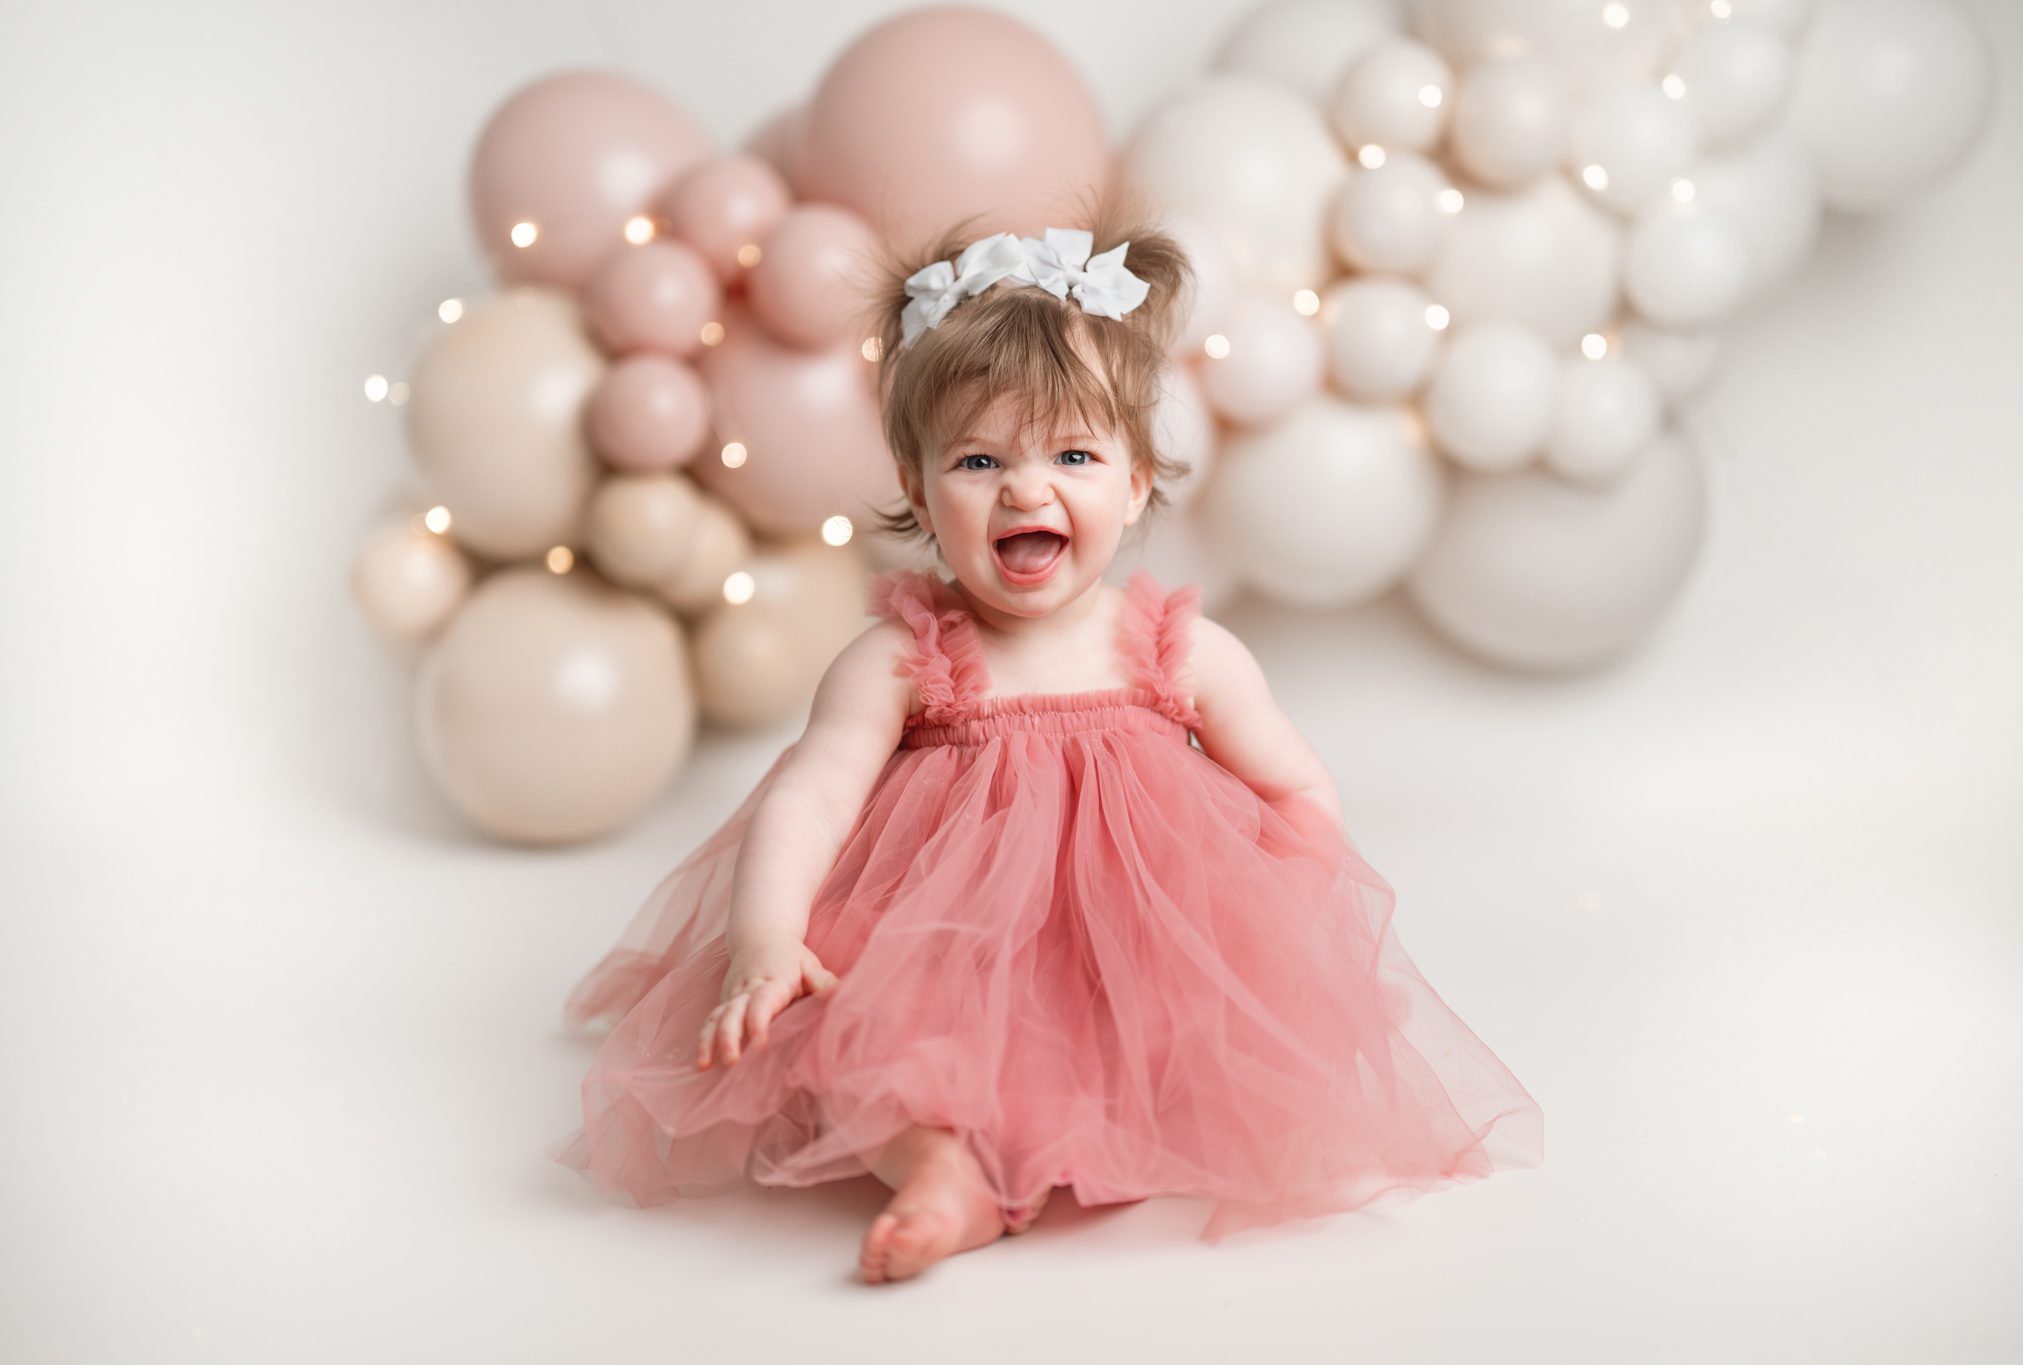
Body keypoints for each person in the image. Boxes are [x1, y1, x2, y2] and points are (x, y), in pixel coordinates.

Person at [546, 198, 1543, 1284]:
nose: (1027, 487)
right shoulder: (894, 659)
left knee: (1162, 1052)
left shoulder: (1177, 649)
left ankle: (1081, 1134)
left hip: (1133, 949)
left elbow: (1294, 785)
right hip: (941, 939)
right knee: (856, 1050)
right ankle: (942, 1171)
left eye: (1073, 453)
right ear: (917, 491)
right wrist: (766, 942)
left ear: (1137, 481)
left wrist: (1283, 923)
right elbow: (811, 799)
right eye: (976, 463)